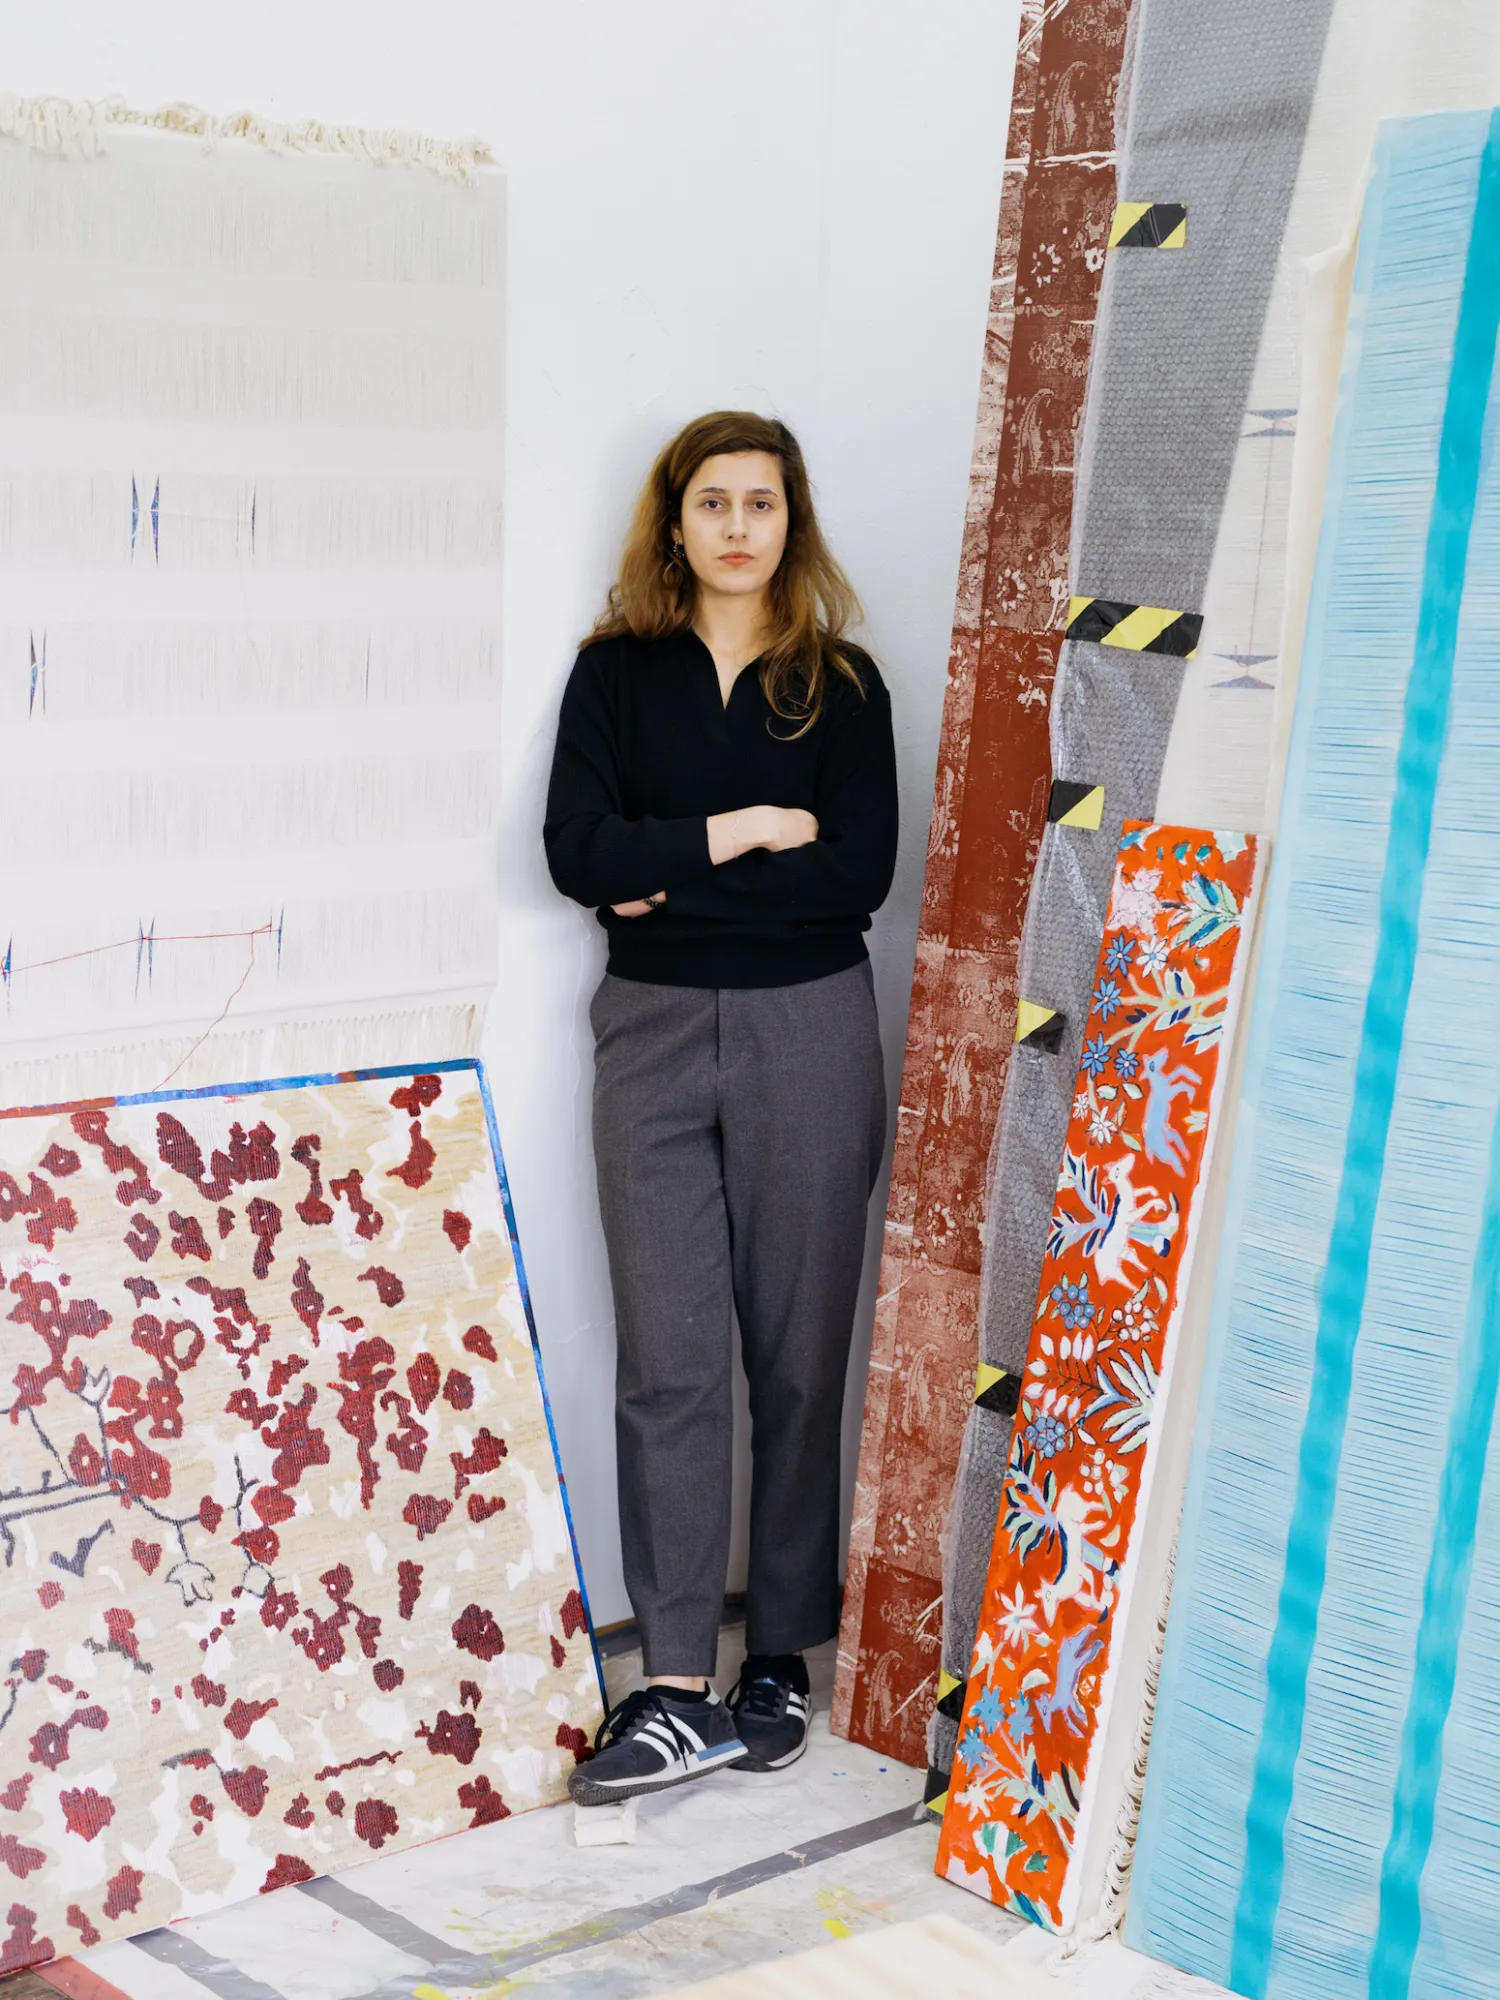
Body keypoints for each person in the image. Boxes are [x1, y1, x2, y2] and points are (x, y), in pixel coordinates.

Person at [544, 411, 898, 1804]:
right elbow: (579, 854)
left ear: (790, 521)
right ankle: (676, 1681)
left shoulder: (842, 687)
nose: (738, 526)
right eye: (713, 502)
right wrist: (747, 831)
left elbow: (856, 876)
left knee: (799, 1354)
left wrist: (666, 874)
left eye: (761, 502)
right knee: (668, 1357)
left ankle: (782, 1655)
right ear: (675, 520)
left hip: (811, 1028)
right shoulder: (614, 676)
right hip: (647, 1032)